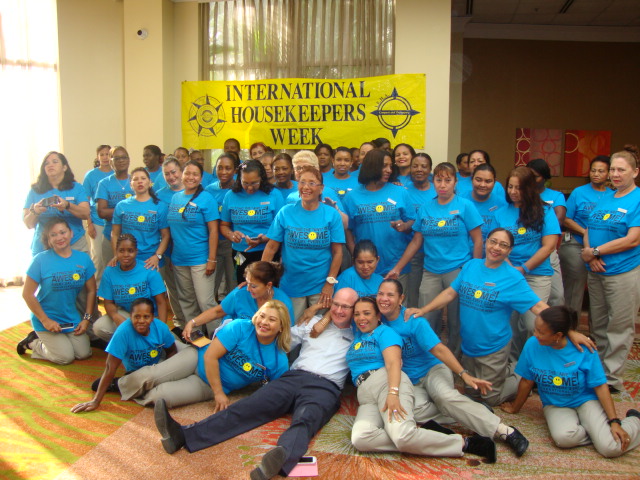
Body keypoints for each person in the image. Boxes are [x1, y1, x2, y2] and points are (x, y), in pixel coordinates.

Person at [153, 288, 360, 480]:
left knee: (305, 420)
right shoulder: (312, 322)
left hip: (326, 387)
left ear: (355, 310)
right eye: (336, 304)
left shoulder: (358, 334)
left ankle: (277, 463)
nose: (339, 310)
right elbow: (285, 337)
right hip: (294, 377)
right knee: (248, 407)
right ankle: (182, 436)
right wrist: (311, 313)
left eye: (346, 307)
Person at [372, 279, 530, 456]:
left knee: (443, 396)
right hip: (409, 381)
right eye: (380, 294)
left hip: (432, 370)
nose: (384, 299)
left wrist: (463, 374)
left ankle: (505, 431)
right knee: (410, 412)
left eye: (390, 295)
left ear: (401, 298)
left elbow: (439, 349)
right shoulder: (376, 321)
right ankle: (471, 407)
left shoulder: (413, 321)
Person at [406, 228, 548, 406]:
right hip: (469, 347)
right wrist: (424, 310)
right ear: (486, 242)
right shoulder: (471, 266)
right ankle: (504, 372)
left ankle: (526, 372)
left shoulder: (513, 278)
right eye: (493, 242)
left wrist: (568, 330)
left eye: (503, 245)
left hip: (493, 348)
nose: (496, 248)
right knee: (472, 393)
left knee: (491, 398)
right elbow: (450, 293)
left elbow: (538, 306)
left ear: (510, 251)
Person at [347, 296, 497, 462]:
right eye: (357, 314)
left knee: (402, 435)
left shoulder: (385, 333)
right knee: (361, 438)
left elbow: (393, 363)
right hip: (366, 395)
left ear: (378, 316)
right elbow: (338, 311)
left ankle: (465, 443)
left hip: (385, 382)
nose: (361, 318)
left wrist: (393, 392)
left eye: (367, 313)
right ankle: (419, 436)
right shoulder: (358, 337)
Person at [501, 306, 640, 458]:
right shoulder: (532, 345)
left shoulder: (584, 348)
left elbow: (600, 386)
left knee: (610, 448)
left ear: (558, 335)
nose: (535, 335)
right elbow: (526, 381)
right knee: (563, 439)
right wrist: (515, 407)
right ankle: (598, 434)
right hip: (555, 404)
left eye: (541, 332)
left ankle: (635, 421)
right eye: (535, 329)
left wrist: (614, 421)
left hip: (585, 400)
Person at [387, 162, 483, 357]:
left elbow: (478, 239)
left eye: (448, 180)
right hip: (430, 270)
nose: (443, 184)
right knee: (426, 315)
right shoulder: (425, 208)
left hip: (458, 270)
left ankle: (455, 359)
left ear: (455, 182)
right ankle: (429, 358)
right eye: (438, 180)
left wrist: (476, 270)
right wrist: (398, 268)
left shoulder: (465, 206)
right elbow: (415, 242)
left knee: (456, 320)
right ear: (433, 182)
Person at [580, 146, 640, 393]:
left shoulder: (637, 199)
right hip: (596, 271)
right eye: (612, 169)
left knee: (619, 327)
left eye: (621, 170)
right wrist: (590, 254)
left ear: (635, 172)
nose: (615, 174)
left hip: (622, 273)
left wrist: (596, 252)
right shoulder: (606, 197)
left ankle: (612, 380)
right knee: (599, 326)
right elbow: (588, 230)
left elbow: (633, 239)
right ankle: (599, 372)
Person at [71, 297, 182, 412]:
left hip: (157, 364)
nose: (141, 321)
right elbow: (110, 367)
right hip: (136, 372)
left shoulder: (161, 328)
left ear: (152, 318)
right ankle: (117, 384)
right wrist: (96, 401)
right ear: (130, 317)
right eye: (137, 317)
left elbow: (171, 351)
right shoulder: (123, 332)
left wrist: (168, 374)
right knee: (157, 395)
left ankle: (130, 386)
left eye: (146, 317)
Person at [262, 166, 344, 321]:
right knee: (292, 332)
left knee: (316, 333)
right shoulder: (286, 212)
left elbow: (337, 252)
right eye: (302, 182)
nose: (306, 187)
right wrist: (261, 277)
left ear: (321, 189)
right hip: (291, 284)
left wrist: (330, 283)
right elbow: (271, 247)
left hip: (320, 286)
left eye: (312, 183)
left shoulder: (331, 215)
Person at [496, 166, 560, 361]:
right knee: (512, 326)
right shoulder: (501, 213)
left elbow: (548, 245)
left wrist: (523, 268)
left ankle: (538, 365)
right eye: (510, 187)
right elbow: (496, 246)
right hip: (509, 275)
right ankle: (516, 366)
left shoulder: (545, 211)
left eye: (519, 188)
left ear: (530, 188)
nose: (514, 192)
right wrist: (512, 269)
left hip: (537, 275)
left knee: (534, 324)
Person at [18, 218, 96, 364]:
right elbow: (27, 294)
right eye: (53, 235)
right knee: (65, 357)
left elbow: (92, 291)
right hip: (47, 320)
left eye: (62, 232)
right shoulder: (40, 260)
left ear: (71, 233)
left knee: (83, 353)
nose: (59, 237)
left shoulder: (83, 259)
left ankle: (59, 342)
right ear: (48, 239)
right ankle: (33, 342)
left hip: (70, 318)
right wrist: (45, 320)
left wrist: (86, 319)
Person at [343, 149, 414, 284]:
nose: (389, 170)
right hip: (366, 268)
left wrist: (405, 226)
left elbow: (413, 221)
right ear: (371, 166)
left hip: (396, 266)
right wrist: (357, 257)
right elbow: (348, 231)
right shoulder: (352, 197)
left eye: (390, 166)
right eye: (384, 166)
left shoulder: (400, 191)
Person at [182, 261, 294, 338]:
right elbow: (217, 311)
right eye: (248, 283)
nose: (248, 289)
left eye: (254, 286)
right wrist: (192, 323)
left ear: (268, 285)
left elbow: (286, 334)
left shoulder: (283, 303)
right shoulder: (240, 293)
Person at [167, 160, 219, 324]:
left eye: (195, 174)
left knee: (205, 302)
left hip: (200, 260)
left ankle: (217, 340)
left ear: (201, 178)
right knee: (187, 301)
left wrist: (211, 259)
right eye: (187, 173)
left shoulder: (206, 198)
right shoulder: (176, 197)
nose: (191, 177)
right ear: (182, 175)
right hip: (179, 260)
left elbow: (214, 231)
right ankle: (195, 337)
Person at [559, 155, 610, 314]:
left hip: (603, 248)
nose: (596, 174)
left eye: (601, 171)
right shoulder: (578, 192)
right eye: (593, 170)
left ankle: (596, 333)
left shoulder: (613, 195)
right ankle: (569, 327)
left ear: (608, 173)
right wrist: (585, 232)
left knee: (600, 290)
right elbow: (566, 219)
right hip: (576, 244)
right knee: (575, 284)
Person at [94, 234, 167, 342]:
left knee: (169, 345)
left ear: (136, 252)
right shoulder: (110, 272)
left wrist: (162, 329)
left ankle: (140, 342)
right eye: (121, 251)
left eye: (130, 251)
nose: (126, 255)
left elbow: (161, 302)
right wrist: (115, 316)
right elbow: (108, 302)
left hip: (149, 318)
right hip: (126, 315)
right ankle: (131, 344)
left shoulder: (149, 269)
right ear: (116, 251)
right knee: (99, 327)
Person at [220, 159, 283, 283]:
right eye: (245, 183)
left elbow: (281, 228)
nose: (249, 188)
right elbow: (224, 225)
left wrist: (262, 239)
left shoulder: (274, 194)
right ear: (239, 179)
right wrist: (231, 235)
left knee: (267, 287)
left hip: (267, 251)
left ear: (262, 178)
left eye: (254, 183)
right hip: (240, 253)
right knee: (243, 285)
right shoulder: (231, 195)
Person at [24, 151, 90, 256]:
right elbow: (28, 224)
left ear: (64, 167)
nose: (50, 165)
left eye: (55, 162)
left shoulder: (77, 187)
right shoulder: (35, 190)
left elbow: (86, 213)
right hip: (44, 246)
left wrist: (67, 205)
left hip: (74, 243)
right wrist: (35, 211)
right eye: (47, 163)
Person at [111, 167, 169, 271]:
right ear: (130, 184)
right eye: (135, 179)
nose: (140, 182)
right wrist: (117, 255)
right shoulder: (121, 206)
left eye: (143, 178)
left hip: (152, 261)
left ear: (150, 182)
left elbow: (166, 235)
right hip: (128, 260)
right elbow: (115, 233)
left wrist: (157, 256)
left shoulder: (160, 206)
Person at [527, 158, 565, 306]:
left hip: (547, 249)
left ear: (544, 177)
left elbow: (560, 219)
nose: (532, 180)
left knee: (557, 295)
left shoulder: (555, 196)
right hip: (525, 248)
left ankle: (555, 326)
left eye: (536, 176)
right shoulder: (521, 195)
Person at [155, 157, 187, 330]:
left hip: (188, 250)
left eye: (174, 172)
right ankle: (179, 323)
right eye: (166, 174)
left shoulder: (193, 191)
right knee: (173, 289)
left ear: (181, 171)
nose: (171, 176)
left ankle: (193, 323)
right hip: (168, 250)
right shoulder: (159, 195)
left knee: (188, 290)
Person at [206, 153, 241, 303]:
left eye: (228, 168)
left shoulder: (240, 189)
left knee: (233, 281)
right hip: (212, 243)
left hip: (233, 243)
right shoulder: (208, 190)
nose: (224, 172)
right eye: (220, 168)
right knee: (210, 284)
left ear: (235, 170)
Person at [404, 152, 433, 307]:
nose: (419, 169)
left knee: (431, 295)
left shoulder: (438, 191)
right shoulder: (403, 191)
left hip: (434, 253)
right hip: (412, 252)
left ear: (430, 169)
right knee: (413, 294)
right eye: (415, 166)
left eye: (423, 166)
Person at [96, 146, 134, 264]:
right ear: (110, 161)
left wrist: (113, 211)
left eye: (124, 157)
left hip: (134, 238)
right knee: (112, 274)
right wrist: (128, 211)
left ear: (129, 160)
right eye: (116, 158)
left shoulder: (136, 180)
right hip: (110, 236)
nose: (121, 160)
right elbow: (102, 212)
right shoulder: (104, 183)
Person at [82, 145, 112, 285]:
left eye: (108, 154)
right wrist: (89, 224)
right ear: (98, 157)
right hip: (97, 221)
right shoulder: (91, 176)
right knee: (98, 257)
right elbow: (85, 201)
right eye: (102, 154)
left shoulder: (117, 174)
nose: (105, 157)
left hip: (115, 222)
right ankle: (97, 289)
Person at [462, 163, 506, 245]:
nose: (482, 185)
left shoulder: (502, 204)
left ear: (495, 182)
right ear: (472, 179)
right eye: (478, 180)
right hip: (463, 255)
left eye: (488, 181)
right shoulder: (460, 201)